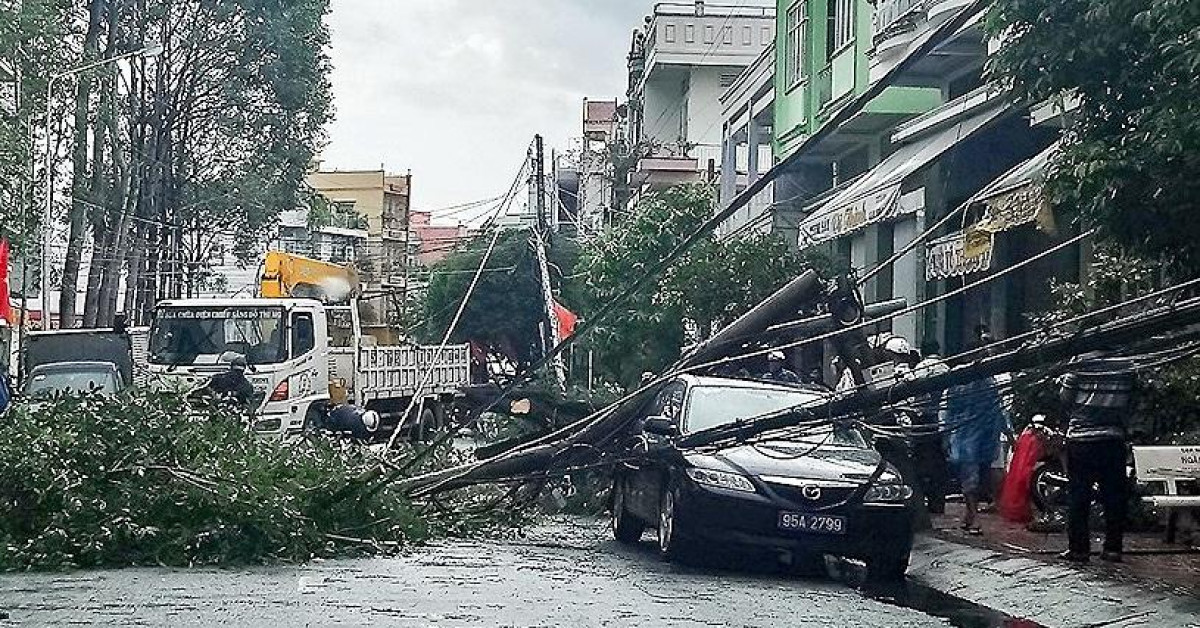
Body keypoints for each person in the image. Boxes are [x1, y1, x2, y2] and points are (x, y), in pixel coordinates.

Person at [1056, 352, 1136, 563]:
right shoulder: (1126, 364)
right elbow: (1131, 399)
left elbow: (1065, 398)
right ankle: (1113, 548)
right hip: (1113, 438)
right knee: (1114, 496)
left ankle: (1079, 549)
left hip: (1082, 440)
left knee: (1079, 495)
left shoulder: (1080, 362)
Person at [944, 369, 1007, 534]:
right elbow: (949, 410)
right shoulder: (961, 382)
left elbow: (998, 408)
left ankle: (971, 514)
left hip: (978, 436)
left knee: (974, 478)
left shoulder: (984, 382)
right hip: (970, 436)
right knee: (972, 479)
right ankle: (973, 515)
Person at [909, 340, 951, 514]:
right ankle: (937, 502)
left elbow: (913, 393)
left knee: (920, 461)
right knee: (938, 463)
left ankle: (922, 500)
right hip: (941, 420)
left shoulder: (921, 368)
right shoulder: (945, 368)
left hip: (923, 420)